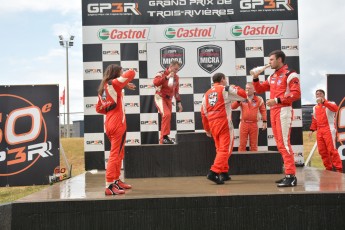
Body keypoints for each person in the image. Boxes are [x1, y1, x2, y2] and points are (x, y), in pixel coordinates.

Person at [252, 50, 301, 187]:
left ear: (280, 60)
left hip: (283, 110)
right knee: (280, 144)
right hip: (274, 111)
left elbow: (296, 94)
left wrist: (277, 100)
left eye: (272, 60)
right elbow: (260, 89)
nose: (269, 62)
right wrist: (256, 78)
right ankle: (288, 175)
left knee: (284, 144)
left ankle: (291, 176)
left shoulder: (290, 74)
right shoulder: (273, 75)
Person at [96, 64, 136, 195]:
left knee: (119, 153)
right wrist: (124, 82)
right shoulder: (114, 83)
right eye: (120, 72)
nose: (122, 73)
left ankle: (116, 180)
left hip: (109, 122)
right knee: (115, 154)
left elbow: (99, 109)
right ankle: (109, 185)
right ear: (116, 73)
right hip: (118, 123)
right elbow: (131, 72)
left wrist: (123, 85)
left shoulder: (103, 87)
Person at [201, 73, 247, 184]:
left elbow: (203, 113)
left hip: (212, 124)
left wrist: (207, 128)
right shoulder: (224, 89)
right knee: (225, 149)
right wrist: (231, 87)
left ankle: (224, 172)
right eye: (225, 79)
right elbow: (243, 95)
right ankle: (214, 172)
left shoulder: (206, 94)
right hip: (224, 123)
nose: (226, 81)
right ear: (222, 79)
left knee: (219, 149)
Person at [308, 89, 343, 173]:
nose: (318, 95)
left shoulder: (330, 103)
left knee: (332, 150)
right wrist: (312, 130)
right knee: (322, 151)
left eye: (320, 93)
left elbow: (335, 109)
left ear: (324, 95)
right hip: (319, 130)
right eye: (317, 94)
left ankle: (339, 169)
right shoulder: (314, 107)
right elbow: (315, 120)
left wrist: (324, 102)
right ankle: (328, 168)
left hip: (329, 128)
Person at [153, 60, 183, 144]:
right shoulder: (161, 73)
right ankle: (164, 137)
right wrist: (167, 77)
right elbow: (155, 82)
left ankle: (163, 139)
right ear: (170, 66)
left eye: (177, 70)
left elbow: (176, 91)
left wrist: (179, 103)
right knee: (166, 115)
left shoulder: (176, 77)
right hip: (160, 97)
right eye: (175, 69)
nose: (176, 71)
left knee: (167, 117)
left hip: (169, 99)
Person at [231, 82, 267, 151]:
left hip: (254, 124)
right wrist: (239, 100)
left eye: (249, 88)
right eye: (246, 88)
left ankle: (254, 161)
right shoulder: (241, 98)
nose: (247, 90)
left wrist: (265, 121)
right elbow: (233, 107)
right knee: (242, 144)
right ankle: (241, 161)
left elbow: (263, 110)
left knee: (254, 145)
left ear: (254, 90)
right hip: (243, 123)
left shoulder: (259, 99)